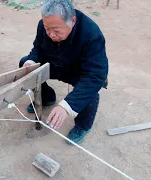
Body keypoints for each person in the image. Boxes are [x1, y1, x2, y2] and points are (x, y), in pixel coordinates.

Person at [19, 0, 109, 144]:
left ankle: (83, 125)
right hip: (55, 63)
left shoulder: (92, 34)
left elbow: (94, 76)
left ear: (72, 21)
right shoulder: (45, 24)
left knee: (89, 89)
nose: (50, 34)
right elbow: (38, 48)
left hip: (79, 71)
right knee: (26, 65)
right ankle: (47, 97)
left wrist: (66, 106)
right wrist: (30, 62)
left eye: (56, 30)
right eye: (47, 29)